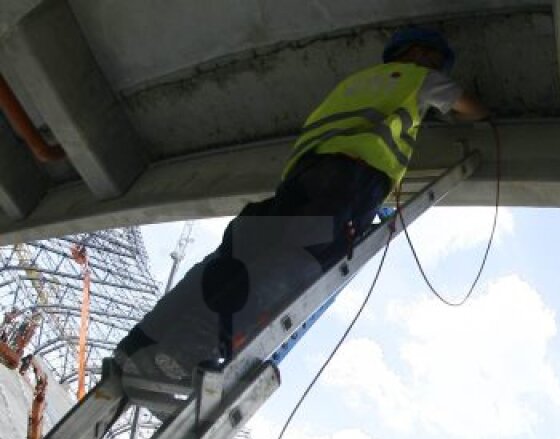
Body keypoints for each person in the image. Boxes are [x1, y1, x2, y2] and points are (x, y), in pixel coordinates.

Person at [115, 27, 488, 384]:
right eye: (436, 61)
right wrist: (471, 114)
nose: (438, 69)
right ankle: (185, 351)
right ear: (419, 53)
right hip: (348, 182)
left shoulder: (354, 83)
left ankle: (140, 344)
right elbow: (470, 108)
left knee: (232, 260)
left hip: (301, 178)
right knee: (297, 264)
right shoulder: (416, 78)